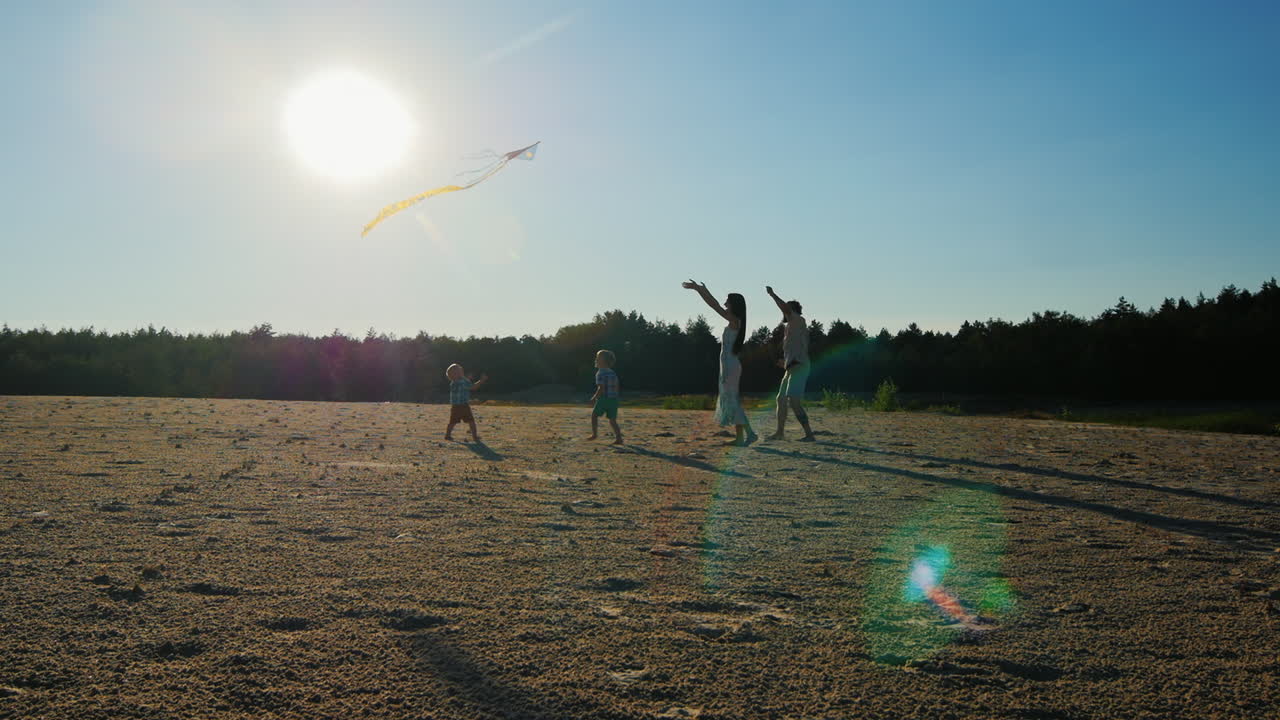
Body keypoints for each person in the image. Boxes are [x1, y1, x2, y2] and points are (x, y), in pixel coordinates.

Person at [682, 279, 758, 446]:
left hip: (730, 366)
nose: (725, 304)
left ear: (733, 305)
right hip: (729, 364)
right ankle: (740, 438)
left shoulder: (734, 320)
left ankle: (750, 434)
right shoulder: (736, 321)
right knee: (732, 400)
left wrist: (700, 290)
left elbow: (714, 305)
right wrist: (701, 290)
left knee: (732, 400)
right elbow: (716, 304)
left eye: (727, 302)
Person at [766, 285, 815, 441]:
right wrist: (784, 363)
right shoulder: (791, 327)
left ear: (792, 310)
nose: (783, 312)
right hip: (792, 367)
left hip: (800, 367)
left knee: (794, 402)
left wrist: (773, 295)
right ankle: (780, 432)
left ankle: (809, 434)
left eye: (787, 309)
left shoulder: (798, 320)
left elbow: (785, 308)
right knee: (780, 399)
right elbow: (795, 350)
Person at [588, 349, 623, 444]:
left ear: (602, 361)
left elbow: (601, 388)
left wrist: (594, 398)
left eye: (598, 358)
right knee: (612, 421)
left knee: (594, 415)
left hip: (604, 398)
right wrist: (615, 397)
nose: (596, 359)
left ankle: (594, 434)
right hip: (614, 399)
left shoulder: (600, 373)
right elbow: (617, 385)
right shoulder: (612, 372)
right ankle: (619, 438)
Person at [444, 363, 488, 442]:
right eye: (460, 371)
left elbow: (466, 385)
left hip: (455, 406)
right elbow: (472, 387)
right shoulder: (461, 381)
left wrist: (468, 379)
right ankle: (475, 437)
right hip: (463, 406)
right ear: (456, 374)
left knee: (453, 422)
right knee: (471, 421)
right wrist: (481, 381)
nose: (462, 372)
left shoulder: (454, 382)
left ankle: (447, 435)